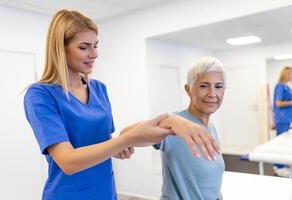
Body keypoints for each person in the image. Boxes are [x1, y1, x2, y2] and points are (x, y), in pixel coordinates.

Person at [23, 9, 220, 200]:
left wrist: (121, 146)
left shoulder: (99, 89)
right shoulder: (41, 95)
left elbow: (105, 141)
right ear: (60, 48)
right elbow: (67, 161)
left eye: (96, 45)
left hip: (105, 191)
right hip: (68, 195)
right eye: (84, 47)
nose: (94, 54)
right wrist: (124, 141)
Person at [154, 57, 225, 200]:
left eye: (218, 86)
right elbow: (127, 135)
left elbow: (212, 185)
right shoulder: (175, 124)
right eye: (204, 86)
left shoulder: (212, 129)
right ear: (188, 90)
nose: (212, 93)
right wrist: (170, 120)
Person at [272, 66, 292, 177]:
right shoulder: (280, 86)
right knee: (280, 143)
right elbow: (278, 103)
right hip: (282, 119)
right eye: (290, 73)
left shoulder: (287, 86)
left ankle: (283, 164)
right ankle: (278, 166)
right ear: (285, 74)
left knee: (285, 144)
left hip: (287, 118)